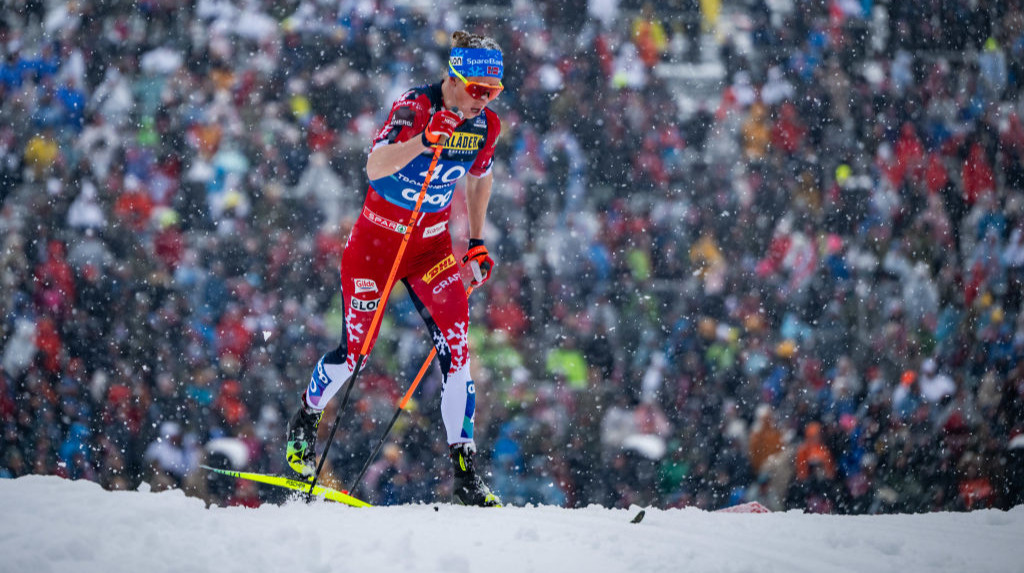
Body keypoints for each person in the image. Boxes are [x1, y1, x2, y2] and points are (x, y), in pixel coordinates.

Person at [285, 30, 505, 507]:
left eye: (493, 94)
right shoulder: (414, 107)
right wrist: (424, 141)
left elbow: (480, 179)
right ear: (454, 76)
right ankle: (306, 416)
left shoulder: (486, 125)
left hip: (430, 250)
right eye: (477, 91)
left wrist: (477, 243)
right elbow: (375, 166)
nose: (482, 103)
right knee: (355, 355)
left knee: (458, 351)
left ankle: (466, 471)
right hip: (376, 248)